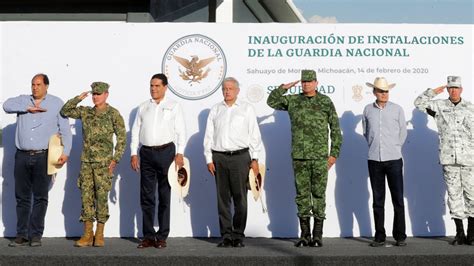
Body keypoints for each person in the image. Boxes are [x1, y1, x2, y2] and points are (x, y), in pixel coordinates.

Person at [267, 70, 342, 247]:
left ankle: (317, 235)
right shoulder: (293, 101)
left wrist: (333, 155)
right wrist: (283, 88)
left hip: (319, 158)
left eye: (309, 81)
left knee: (318, 195)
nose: (306, 84)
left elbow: (336, 129)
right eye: (303, 82)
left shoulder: (325, 101)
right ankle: (304, 234)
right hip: (299, 157)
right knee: (301, 196)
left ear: (316, 83)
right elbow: (271, 101)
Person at [3, 73, 72, 247]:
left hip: (44, 156)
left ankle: (35, 235)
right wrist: (27, 108)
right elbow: (6, 105)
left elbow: (65, 129)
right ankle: (21, 235)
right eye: (33, 84)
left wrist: (66, 152)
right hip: (22, 155)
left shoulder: (56, 103)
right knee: (22, 197)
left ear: (46, 86)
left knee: (41, 197)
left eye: (39, 84)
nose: (35, 87)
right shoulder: (23, 100)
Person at [61, 81, 126, 247]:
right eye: (94, 94)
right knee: (86, 197)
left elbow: (122, 138)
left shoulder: (113, 114)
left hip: (104, 164)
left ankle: (100, 234)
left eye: (99, 93)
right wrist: (78, 98)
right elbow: (65, 111)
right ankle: (87, 234)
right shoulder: (86, 113)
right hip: (86, 163)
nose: (96, 97)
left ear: (106, 95)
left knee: (102, 197)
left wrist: (115, 159)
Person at [414, 76, 474, 246]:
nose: (453, 90)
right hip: (449, 160)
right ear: (447, 89)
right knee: (454, 196)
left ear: (461, 89)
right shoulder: (439, 107)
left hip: (469, 160)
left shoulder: (470, 108)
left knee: (472, 196)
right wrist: (433, 92)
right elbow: (418, 103)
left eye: (456, 87)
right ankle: (459, 233)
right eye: (450, 88)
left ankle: (472, 234)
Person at [204, 77, 262, 248]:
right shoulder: (215, 110)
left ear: (237, 90)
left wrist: (255, 158)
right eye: (224, 89)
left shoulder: (246, 109)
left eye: (230, 88)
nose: (226, 91)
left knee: (240, 199)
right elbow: (208, 136)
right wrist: (209, 159)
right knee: (222, 199)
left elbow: (254, 134)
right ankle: (226, 235)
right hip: (219, 157)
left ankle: (238, 235)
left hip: (240, 157)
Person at [130, 73, 186, 249]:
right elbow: (135, 131)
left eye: (157, 86)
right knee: (146, 197)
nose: (153, 89)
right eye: (151, 86)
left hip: (166, 153)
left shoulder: (174, 106)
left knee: (164, 196)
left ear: (165, 87)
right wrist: (133, 153)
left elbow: (181, 131)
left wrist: (180, 153)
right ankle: (147, 236)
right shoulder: (143, 107)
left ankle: (162, 236)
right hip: (146, 153)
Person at [362, 77, 407, 247]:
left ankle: (400, 236)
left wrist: (394, 147)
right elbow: (366, 132)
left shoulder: (397, 110)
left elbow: (403, 133)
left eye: (386, 91)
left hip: (394, 159)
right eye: (381, 91)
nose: (384, 94)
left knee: (398, 199)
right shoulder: (367, 110)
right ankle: (380, 235)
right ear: (374, 92)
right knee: (377, 199)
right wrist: (376, 147)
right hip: (374, 160)